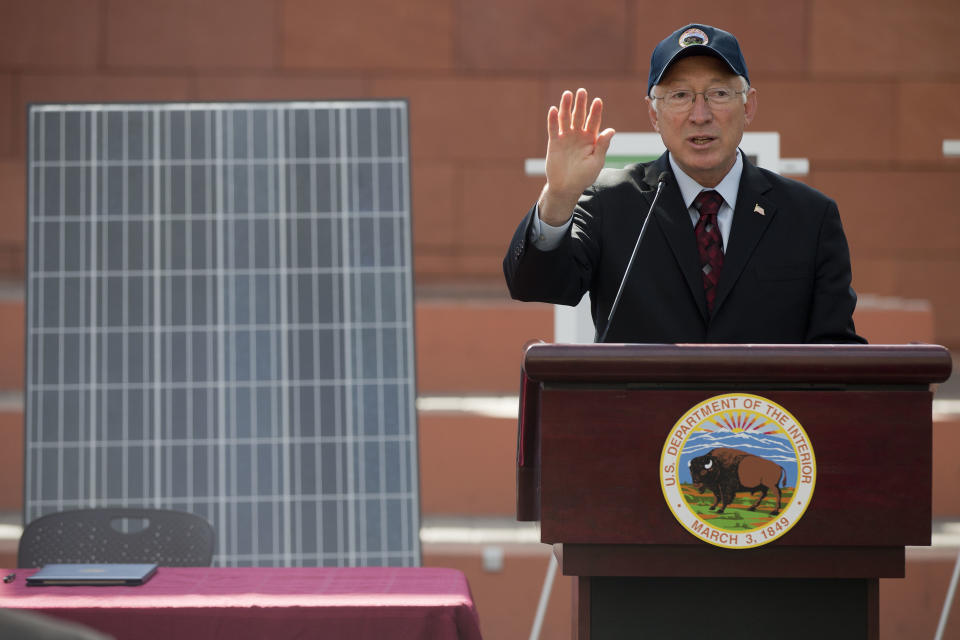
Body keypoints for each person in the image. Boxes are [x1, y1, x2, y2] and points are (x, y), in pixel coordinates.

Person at [503, 23, 866, 344]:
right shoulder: (610, 202)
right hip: (642, 420)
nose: (700, 115)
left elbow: (836, 352)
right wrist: (559, 197)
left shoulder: (809, 217)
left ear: (749, 106)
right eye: (680, 96)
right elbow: (536, 284)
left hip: (759, 420)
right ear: (654, 115)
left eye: (718, 94)